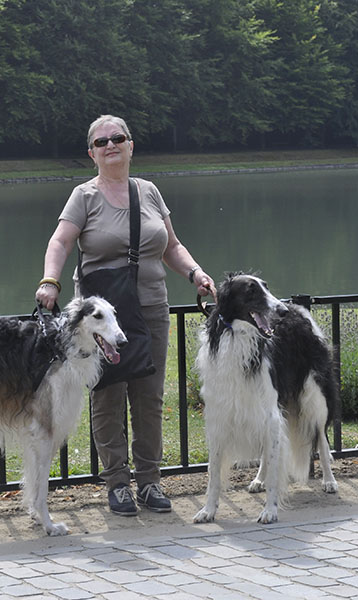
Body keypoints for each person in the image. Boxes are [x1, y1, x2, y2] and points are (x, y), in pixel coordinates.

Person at [35, 115, 216, 516]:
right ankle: (117, 483)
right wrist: (50, 280)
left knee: (149, 397)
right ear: (92, 153)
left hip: (150, 308)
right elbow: (60, 241)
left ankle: (150, 481)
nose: (110, 145)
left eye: (118, 138)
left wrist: (196, 273)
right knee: (108, 396)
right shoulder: (84, 196)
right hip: (100, 319)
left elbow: (171, 245)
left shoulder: (148, 191)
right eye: (101, 142)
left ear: (131, 146)